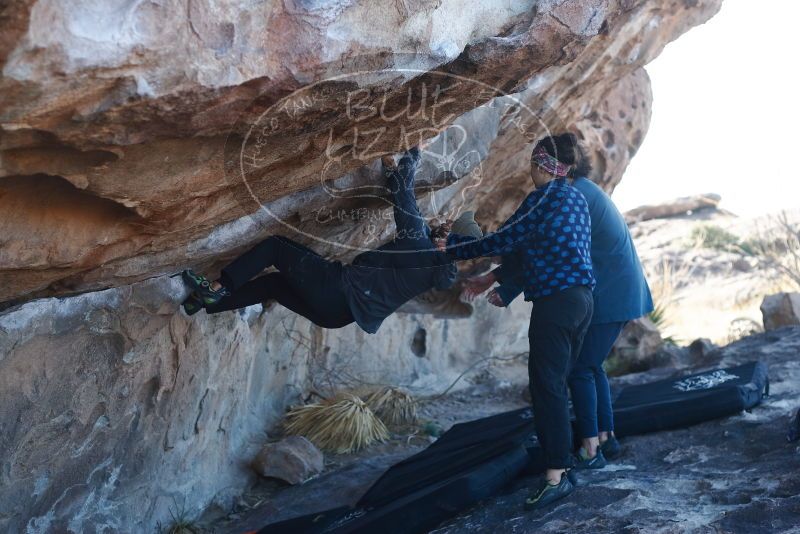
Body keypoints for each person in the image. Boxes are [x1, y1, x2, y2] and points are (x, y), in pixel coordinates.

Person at [468, 152, 653, 468]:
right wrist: (497, 279)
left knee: (579, 368)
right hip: (623, 291)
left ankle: (589, 449)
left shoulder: (571, 196)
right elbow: (547, 249)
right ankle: (606, 439)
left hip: (609, 292)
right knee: (592, 366)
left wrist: (502, 283)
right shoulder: (585, 190)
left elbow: (538, 246)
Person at [445, 133, 595, 511]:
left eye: (532, 162)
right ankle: (565, 464)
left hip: (556, 303)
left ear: (542, 164)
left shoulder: (543, 197)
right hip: (581, 301)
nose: (529, 170)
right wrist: (498, 281)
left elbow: (506, 239)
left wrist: (450, 248)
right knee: (556, 384)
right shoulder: (576, 199)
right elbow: (535, 251)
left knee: (546, 387)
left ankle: (556, 475)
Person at [179, 147, 481, 334]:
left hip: (337, 290)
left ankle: (216, 290)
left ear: (448, 237)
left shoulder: (420, 245)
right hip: (338, 316)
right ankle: (202, 304)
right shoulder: (438, 268)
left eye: (450, 225)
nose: (444, 223)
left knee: (274, 247)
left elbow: (405, 199)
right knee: (272, 284)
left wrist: (412, 156)